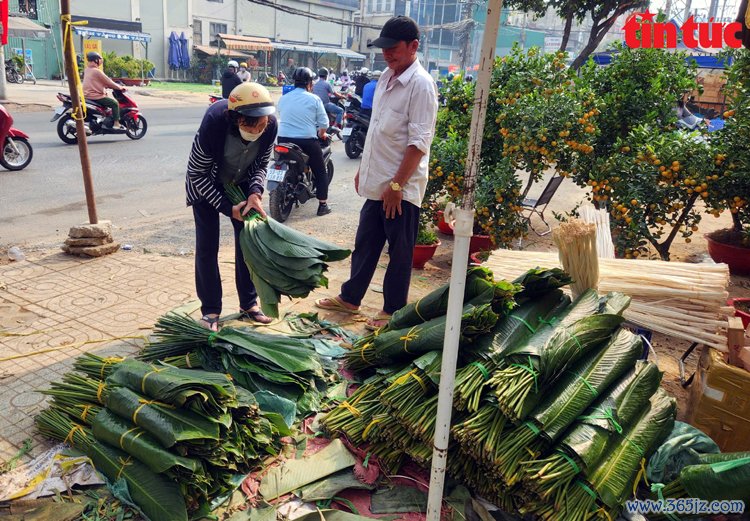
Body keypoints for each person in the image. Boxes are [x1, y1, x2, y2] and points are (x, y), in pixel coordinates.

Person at [315, 16, 438, 330]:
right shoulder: (385, 77)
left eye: (393, 49)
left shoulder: (421, 85)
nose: (387, 54)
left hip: (401, 188)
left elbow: (419, 142)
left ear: (413, 46)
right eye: (384, 48)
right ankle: (350, 298)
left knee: (399, 252)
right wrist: (364, 170)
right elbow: (377, 130)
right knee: (366, 244)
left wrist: (397, 184)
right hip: (377, 181)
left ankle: (393, 311)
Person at [185, 82, 278, 331]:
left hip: (242, 183)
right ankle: (210, 310)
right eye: (252, 124)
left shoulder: (270, 125)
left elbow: (261, 164)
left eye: (262, 124)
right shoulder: (214, 121)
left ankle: (249, 304)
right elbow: (197, 172)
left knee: (247, 244)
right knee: (207, 246)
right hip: (206, 184)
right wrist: (228, 208)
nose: (259, 129)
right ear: (236, 118)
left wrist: (255, 194)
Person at [277, 67, 333, 217]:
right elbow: (324, 124)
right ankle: (323, 205)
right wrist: (322, 134)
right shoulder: (314, 99)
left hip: (283, 139)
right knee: (321, 172)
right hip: (307, 141)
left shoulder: (284, 98)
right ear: (309, 83)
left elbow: (282, 114)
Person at [82, 51, 126, 129]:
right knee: (115, 103)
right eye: (99, 59)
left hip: (87, 95)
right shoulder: (97, 71)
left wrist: (105, 85)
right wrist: (120, 87)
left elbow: (95, 81)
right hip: (95, 96)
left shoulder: (87, 69)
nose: (101, 61)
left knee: (106, 107)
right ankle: (116, 124)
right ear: (96, 60)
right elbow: (108, 81)